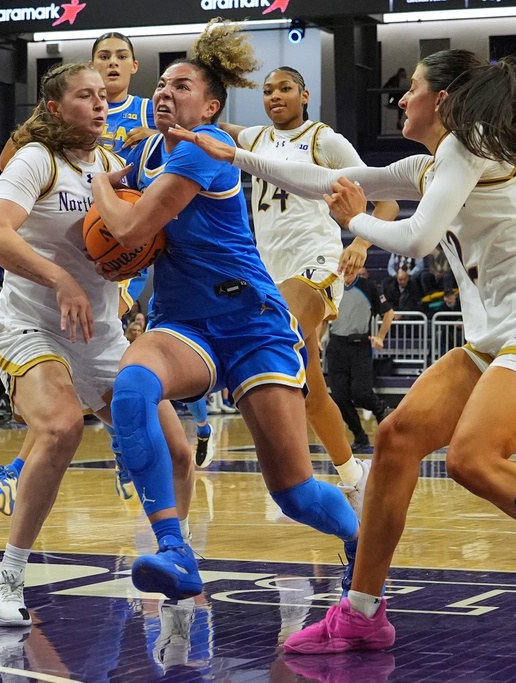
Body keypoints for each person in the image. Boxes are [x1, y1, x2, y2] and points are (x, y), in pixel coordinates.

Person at [177, 49, 516, 648]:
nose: (399, 98)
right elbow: (331, 182)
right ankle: (361, 613)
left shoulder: (473, 149)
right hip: (497, 335)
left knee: (471, 458)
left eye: (411, 88)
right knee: (395, 440)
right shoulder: (436, 163)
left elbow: (414, 240)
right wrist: (235, 155)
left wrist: (357, 224)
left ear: (440, 100)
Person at [89, 20, 361, 603]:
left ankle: (361, 542)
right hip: (184, 324)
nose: (166, 91)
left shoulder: (205, 156)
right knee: (133, 389)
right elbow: (113, 205)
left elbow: (131, 225)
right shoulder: (146, 152)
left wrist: (95, 184)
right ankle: (174, 550)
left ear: (211, 108)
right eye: (162, 83)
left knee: (294, 494)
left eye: (181, 86)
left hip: (253, 323)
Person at [0, 62, 193, 627]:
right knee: (61, 424)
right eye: (83, 96)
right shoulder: (36, 161)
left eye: (102, 96)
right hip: (32, 327)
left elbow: (139, 242)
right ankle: (8, 579)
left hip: (104, 335)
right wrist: (60, 278)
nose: (98, 105)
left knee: (178, 452)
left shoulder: (116, 169)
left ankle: (176, 567)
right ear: (54, 108)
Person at [218, 65, 400, 508]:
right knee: (310, 385)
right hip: (269, 270)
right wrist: (152, 125)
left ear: (304, 94)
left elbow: (387, 199)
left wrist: (359, 241)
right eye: (266, 90)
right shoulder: (256, 139)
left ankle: (291, 472)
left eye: (284, 88)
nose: (275, 95)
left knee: (284, 339)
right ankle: (353, 474)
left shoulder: (324, 140)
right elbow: (210, 126)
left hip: (317, 262)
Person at [328, 266, 394, 452]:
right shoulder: (333, 286)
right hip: (336, 347)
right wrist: (317, 339)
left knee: (361, 393)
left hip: (360, 346)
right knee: (339, 397)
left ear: (357, 269)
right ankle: (360, 436)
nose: (347, 272)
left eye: (351, 268)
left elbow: (388, 313)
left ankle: (380, 409)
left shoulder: (369, 287)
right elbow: (325, 317)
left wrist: (380, 336)